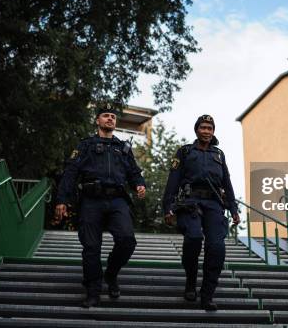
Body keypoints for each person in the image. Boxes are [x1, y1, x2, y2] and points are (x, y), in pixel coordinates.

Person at [54, 104, 146, 308]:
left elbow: (134, 172)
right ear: (97, 120)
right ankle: (93, 291)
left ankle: (111, 274)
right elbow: (70, 173)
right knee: (91, 247)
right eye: (106, 116)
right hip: (91, 200)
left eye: (113, 116)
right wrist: (62, 200)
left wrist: (139, 184)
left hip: (117, 200)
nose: (110, 119)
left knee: (127, 240)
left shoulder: (124, 147)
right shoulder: (85, 145)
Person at [162, 114, 240, 311]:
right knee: (194, 238)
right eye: (203, 127)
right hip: (190, 202)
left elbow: (227, 183)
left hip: (214, 204)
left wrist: (233, 209)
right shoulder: (185, 151)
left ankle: (207, 295)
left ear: (213, 132)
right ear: (197, 130)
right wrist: (168, 207)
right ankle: (190, 281)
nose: (207, 131)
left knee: (216, 248)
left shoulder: (219, 155)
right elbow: (173, 181)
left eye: (210, 128)